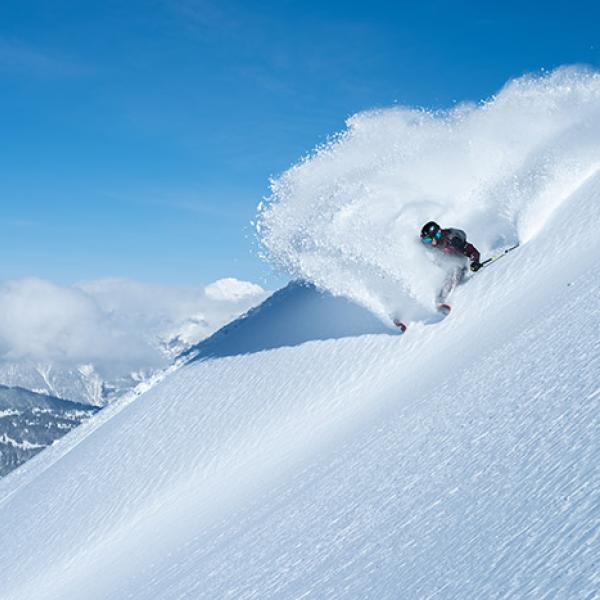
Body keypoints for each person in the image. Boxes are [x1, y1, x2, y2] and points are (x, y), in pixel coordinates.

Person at [420, 221, 482, 307]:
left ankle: (441, 301)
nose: (427, 243)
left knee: (453, 272)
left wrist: (475, 262)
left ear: (437, 235)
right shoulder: (431, 243)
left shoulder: (453, 240)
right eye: (425, 240)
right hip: (444, 261)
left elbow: (473, 251)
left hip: (460, 264)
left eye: (429, 240)